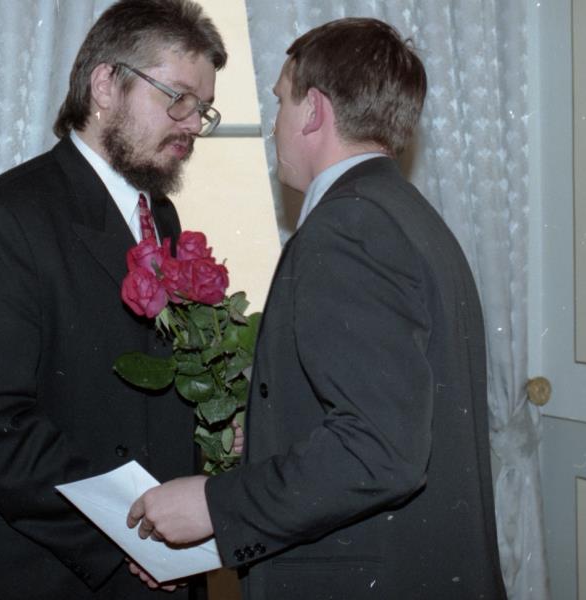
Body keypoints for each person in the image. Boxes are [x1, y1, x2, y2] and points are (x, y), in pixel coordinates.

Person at [127, 17, 508, 599]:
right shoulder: (406, 214)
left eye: (281, 101)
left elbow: (379, 450)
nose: (275, 123)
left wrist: (212, 504)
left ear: (314, 111)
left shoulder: (348, 228)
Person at [0, 1, 226, 598]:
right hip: (47, 572)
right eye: (178, 98)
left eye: (203, 109)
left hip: (155, 563)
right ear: (106, 84)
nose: (193, 124)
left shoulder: (160, 216)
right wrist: (132, 534)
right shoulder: (4, 218)